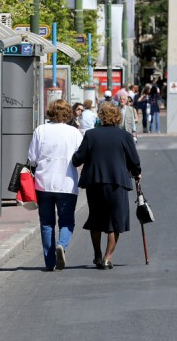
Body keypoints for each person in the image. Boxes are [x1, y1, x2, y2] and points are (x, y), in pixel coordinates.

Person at [72, 103, 142, 270]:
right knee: (115, 219)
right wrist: (136, 173)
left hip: (94, 182)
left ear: (101, 117)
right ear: (118, 117)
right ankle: (107, 258)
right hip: (117, 182)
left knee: (96, 218)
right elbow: (134, 160)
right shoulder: (124, 136)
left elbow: (77, 159)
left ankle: (97, 253)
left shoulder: (91, 134)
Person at [27, 99, 83, 271]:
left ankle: (49, 262)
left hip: (43, 183)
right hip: (66, 183)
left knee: (46, 222)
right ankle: (62, 245)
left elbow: (32, 158)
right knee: (66, 221)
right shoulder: (74, 133)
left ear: (50, 112)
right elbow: (81, 157)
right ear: (68, 113)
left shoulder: (40, 130)